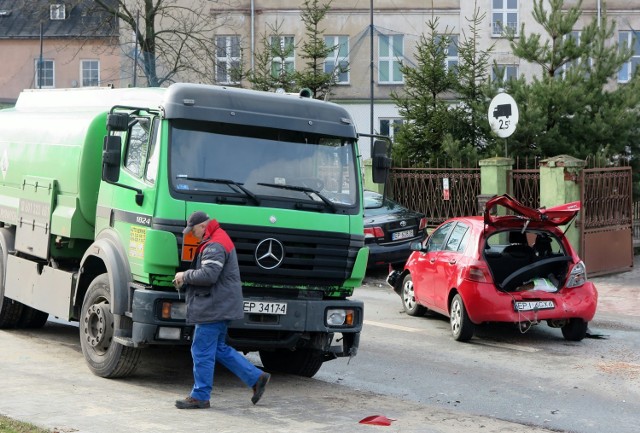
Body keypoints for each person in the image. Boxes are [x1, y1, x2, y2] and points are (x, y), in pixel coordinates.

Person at [173, 211, 270, 409]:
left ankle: (200, 396)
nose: (193, 235)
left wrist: (185, 275)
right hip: (221, 304)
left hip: (213, 306)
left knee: (201, 350)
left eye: (193, 231)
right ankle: (256, 378)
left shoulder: (215, 244)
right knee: (218, 348)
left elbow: (209, 275)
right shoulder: (217, 238)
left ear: (202, 226)